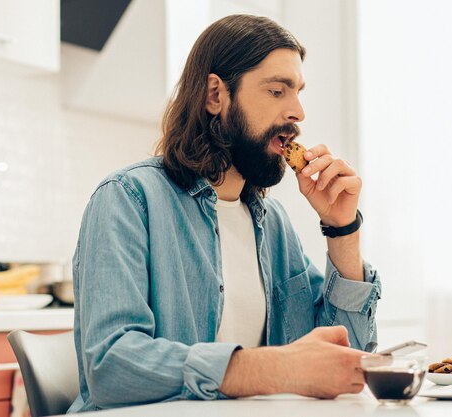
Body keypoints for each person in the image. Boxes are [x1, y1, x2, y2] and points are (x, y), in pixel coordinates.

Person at [68, 14, 381, 413]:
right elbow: (110, 366)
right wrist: (275, 368)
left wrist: (343, 229)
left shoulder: (274, 223)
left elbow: (343, 358)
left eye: (298, 91)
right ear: (216, 95)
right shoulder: (128, 199)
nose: (298, 111)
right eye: (276, 91)